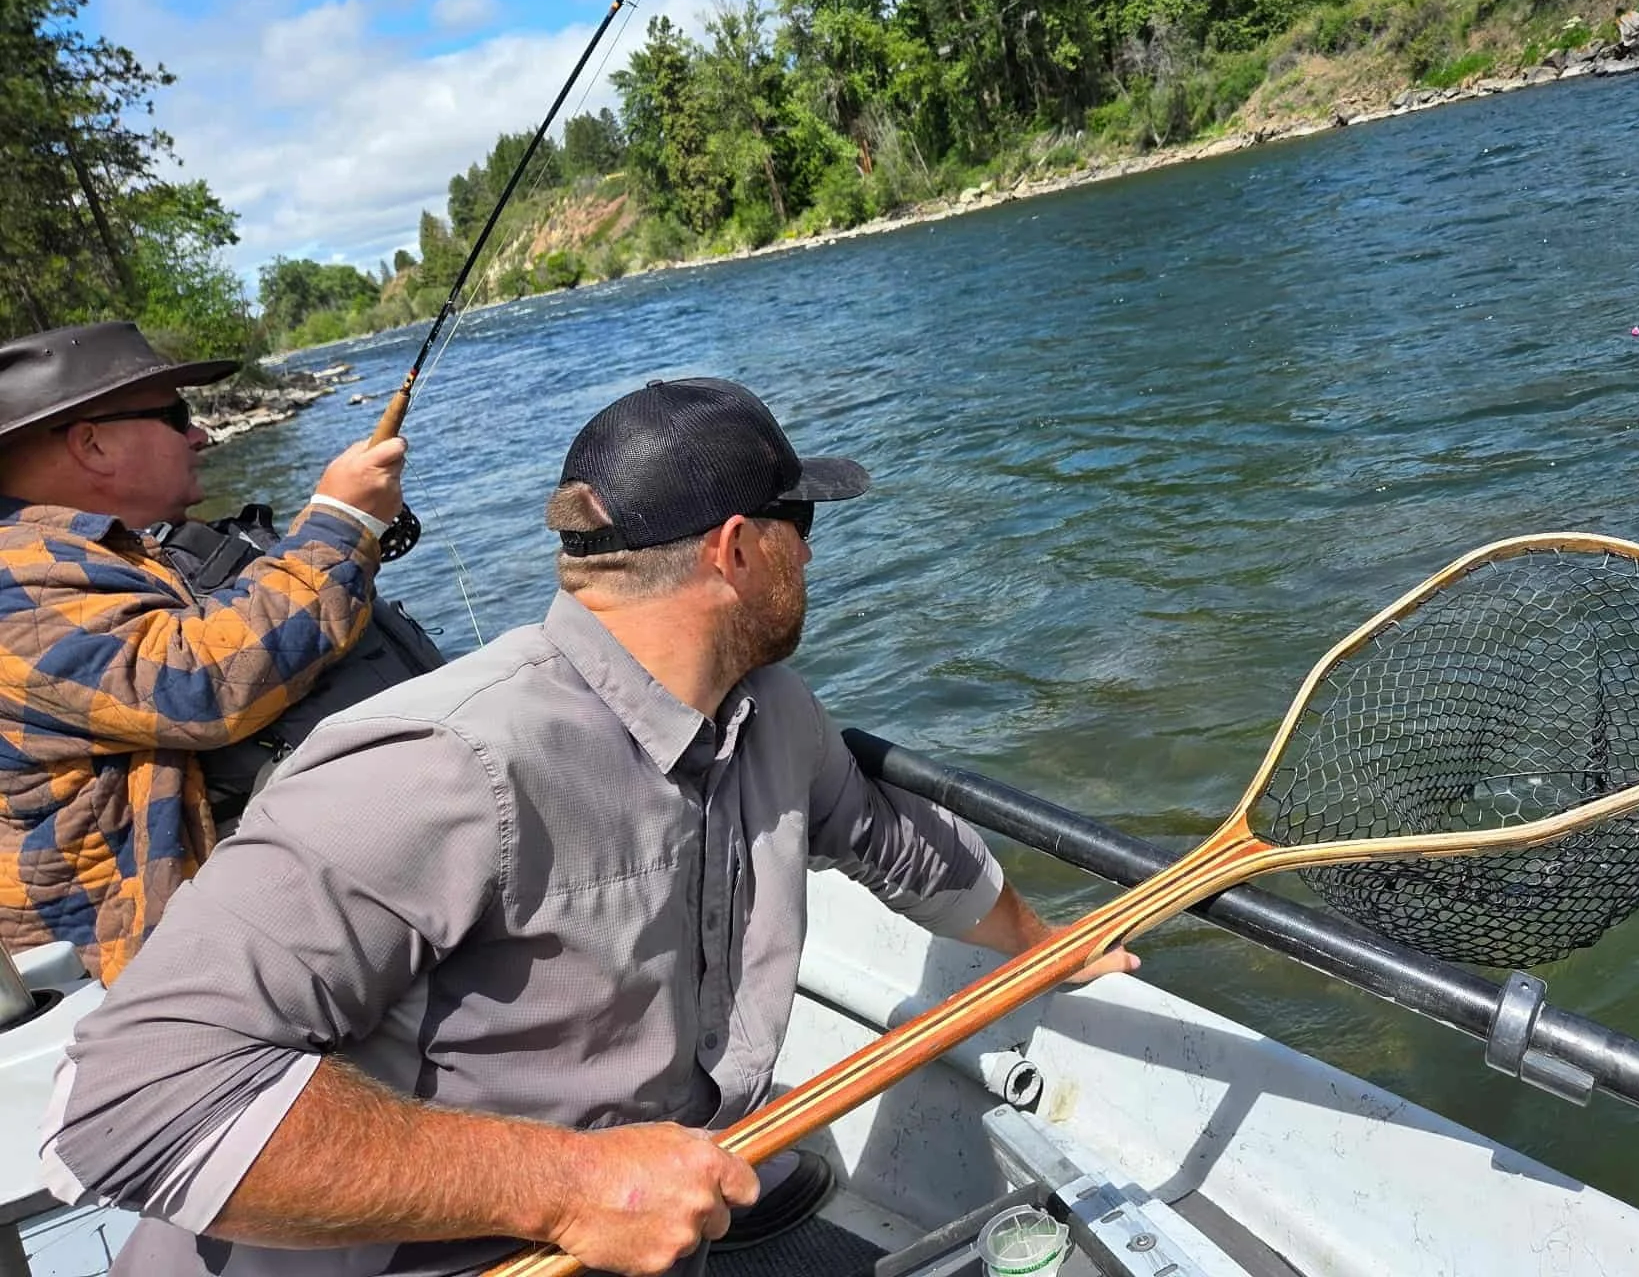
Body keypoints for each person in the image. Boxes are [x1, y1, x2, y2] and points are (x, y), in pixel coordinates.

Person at [39, 376, 1137, 1277]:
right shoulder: (443, 764)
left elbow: (886, 837)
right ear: (738, 549)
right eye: (802, 525)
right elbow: (132, 1101)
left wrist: (1042, 946)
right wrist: (564, 1187)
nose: (814, 554)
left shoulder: (764, 712)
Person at [0, 321, 418, 982]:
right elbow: (198, 682)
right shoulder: (13, 582)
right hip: (121, 982)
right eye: (176, 415)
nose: (198, 435)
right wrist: (343, 522)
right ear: (92, 443)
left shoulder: (84, 555)